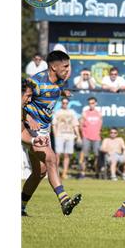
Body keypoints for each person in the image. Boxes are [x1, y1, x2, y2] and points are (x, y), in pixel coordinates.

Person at [21, 50, 82, 216]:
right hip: (27, 129)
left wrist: (63, 93)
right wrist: (28, 118)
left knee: (39, 172)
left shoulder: (59, 81)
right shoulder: (34, 82)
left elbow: (51, 91)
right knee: (51, 158)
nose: (69, 69)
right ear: (54, 67)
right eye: (66, 66)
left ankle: (20, 207)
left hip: (43, 129)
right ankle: (64, 200)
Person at [52, 97, 81, 179]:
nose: (65, 104)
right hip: (60, 135)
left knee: (67, 155)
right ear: (61, 103)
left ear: (68, 103)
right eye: (63, 103)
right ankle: (55, 173)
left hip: (70, 135)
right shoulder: (57, 112)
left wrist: (78, 136)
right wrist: (55, 135)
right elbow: (54, 124)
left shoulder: (72, 112)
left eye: (66, 103)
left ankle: (64, 173)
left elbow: (75, 125)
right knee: (57, 155)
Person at [79, 97, 103, 179]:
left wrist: (98, 132)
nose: (91, 105)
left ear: (96, 103)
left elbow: (100, 124)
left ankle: (97, 172)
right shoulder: (85, 113)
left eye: (92, 103)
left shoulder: (99, 113)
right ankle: (82, 173)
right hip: (86, 137)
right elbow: (81, 125)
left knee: (97, 155)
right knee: (84, 156)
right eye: (90, 103)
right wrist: (83, 135)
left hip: (96, 138)